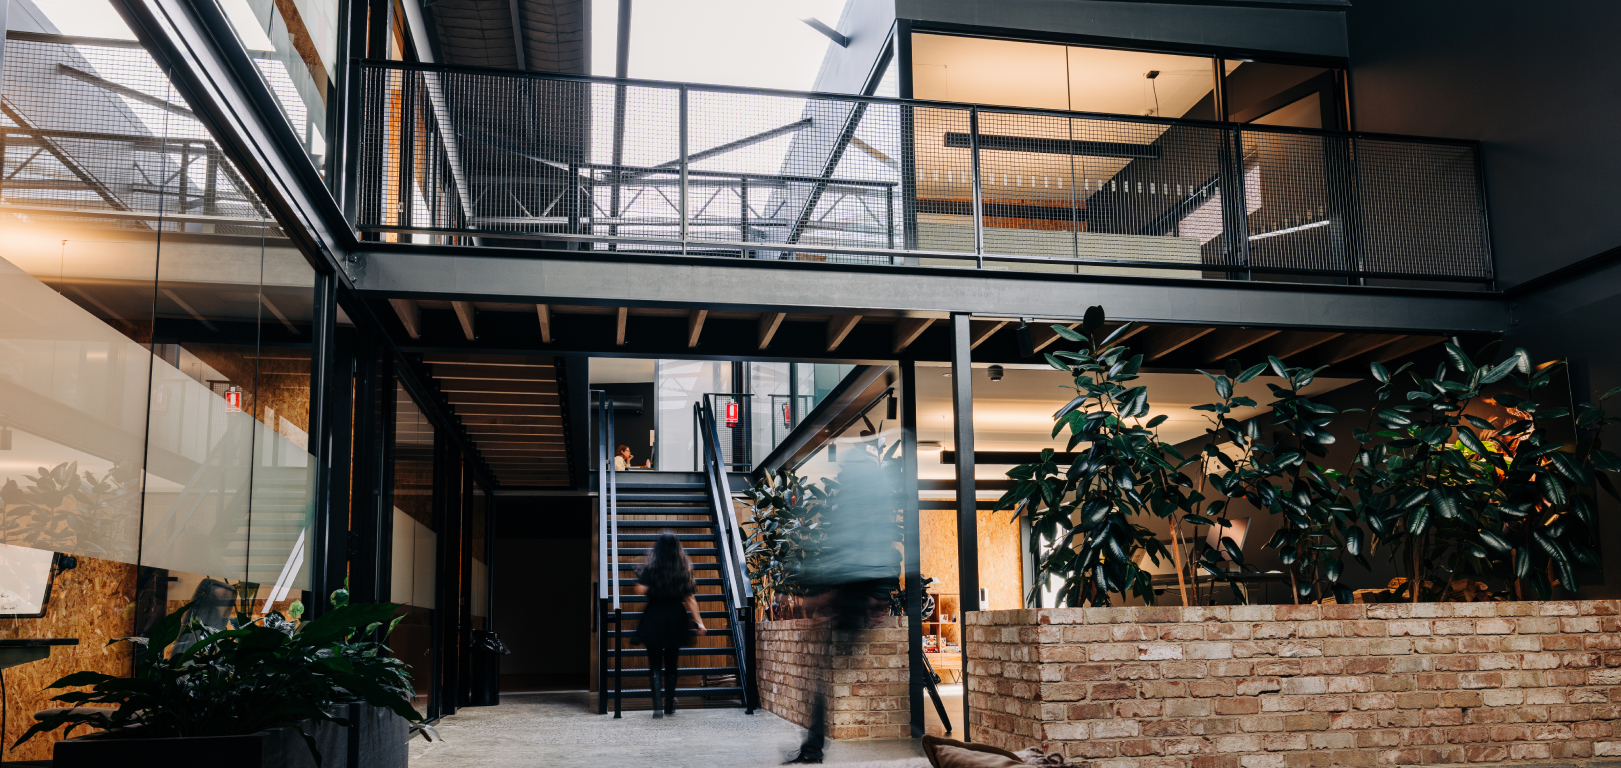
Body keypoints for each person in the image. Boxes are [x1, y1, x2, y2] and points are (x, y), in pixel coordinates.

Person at [634, 532, 706, 717]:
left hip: (654, 617)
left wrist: (651, 584)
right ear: (677, 548)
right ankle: (669, 705)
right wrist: (699, 623)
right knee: (672, 665)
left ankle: (657, 706)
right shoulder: (683, 568)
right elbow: (690, 598)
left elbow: (640, 589)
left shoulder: (651, 567)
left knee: (655, 665)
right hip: (675, 617)